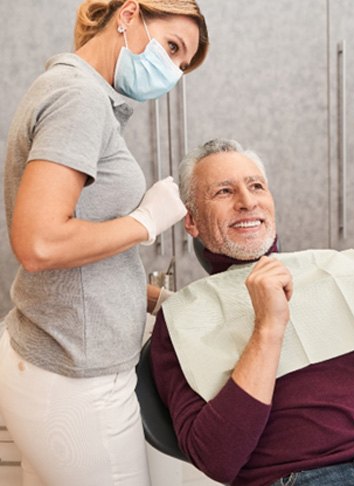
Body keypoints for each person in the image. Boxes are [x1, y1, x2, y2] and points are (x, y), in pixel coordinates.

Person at [150, 138, 354, 486]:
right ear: (192, 221)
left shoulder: (332, 269)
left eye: (256, 186)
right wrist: (268, 329)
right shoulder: (181, 321)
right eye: (224, 192)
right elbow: (217, 456)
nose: (247, 202)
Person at [0, 1, 208, 485]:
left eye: (181, 66)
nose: (172, 73)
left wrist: (154, 299)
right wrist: (145, 220)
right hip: (75, 382)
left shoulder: (77, 91)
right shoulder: (79, 100)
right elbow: (39, 244)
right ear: (130, 14)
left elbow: (79, 256)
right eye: (172, 47)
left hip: (49, 355)